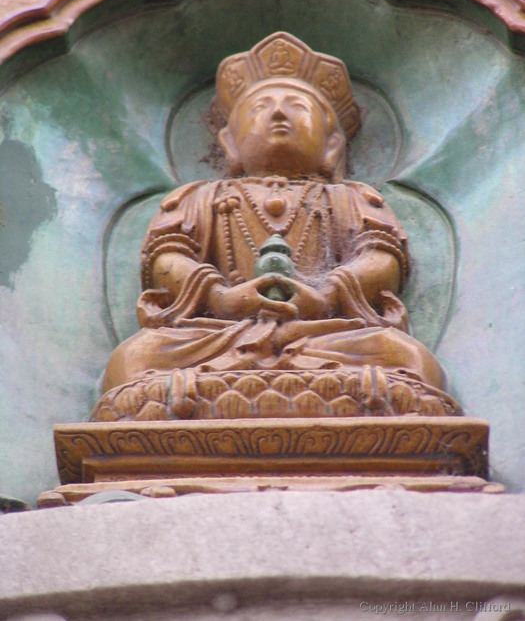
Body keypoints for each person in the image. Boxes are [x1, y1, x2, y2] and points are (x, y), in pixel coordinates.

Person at [92, 33, 460, 421]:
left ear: (332, 144)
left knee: (409, 358)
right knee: (134, 360)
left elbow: (382, 259)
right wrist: (221, 297)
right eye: (261, 107)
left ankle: (214, 397)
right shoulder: (200, 197)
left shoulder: (351, 198)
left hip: (322, 333)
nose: (279, 114)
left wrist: (328, 295)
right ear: (230, 143)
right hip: (222, 334)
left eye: (297, 106)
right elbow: (167, 259)